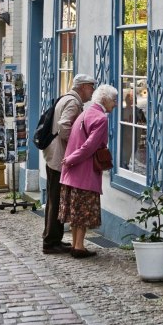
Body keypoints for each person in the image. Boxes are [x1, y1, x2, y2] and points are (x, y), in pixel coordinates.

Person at [59, 84, 118, 259]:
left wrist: (70, 160)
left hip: (73, 172)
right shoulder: (101, 118)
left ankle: (78, 245)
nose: (115, 104)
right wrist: (71, 159)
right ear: (105, 99)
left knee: (76, 212)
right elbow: (89, 147)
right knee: (83, 211)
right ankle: (78, 246)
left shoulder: (85, 113)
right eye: (113, 100)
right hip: (84, 171)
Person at [41, 73, 96, 254]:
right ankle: (51, 242)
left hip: (54, 154)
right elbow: (64, 126)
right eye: (90, 87)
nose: (92, 91)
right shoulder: (73, 102)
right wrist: (75, 146)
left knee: (54, 198)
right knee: (56, 198)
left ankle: (52, 238)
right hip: (59, 156)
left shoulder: (68, 98)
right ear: (82, 87)